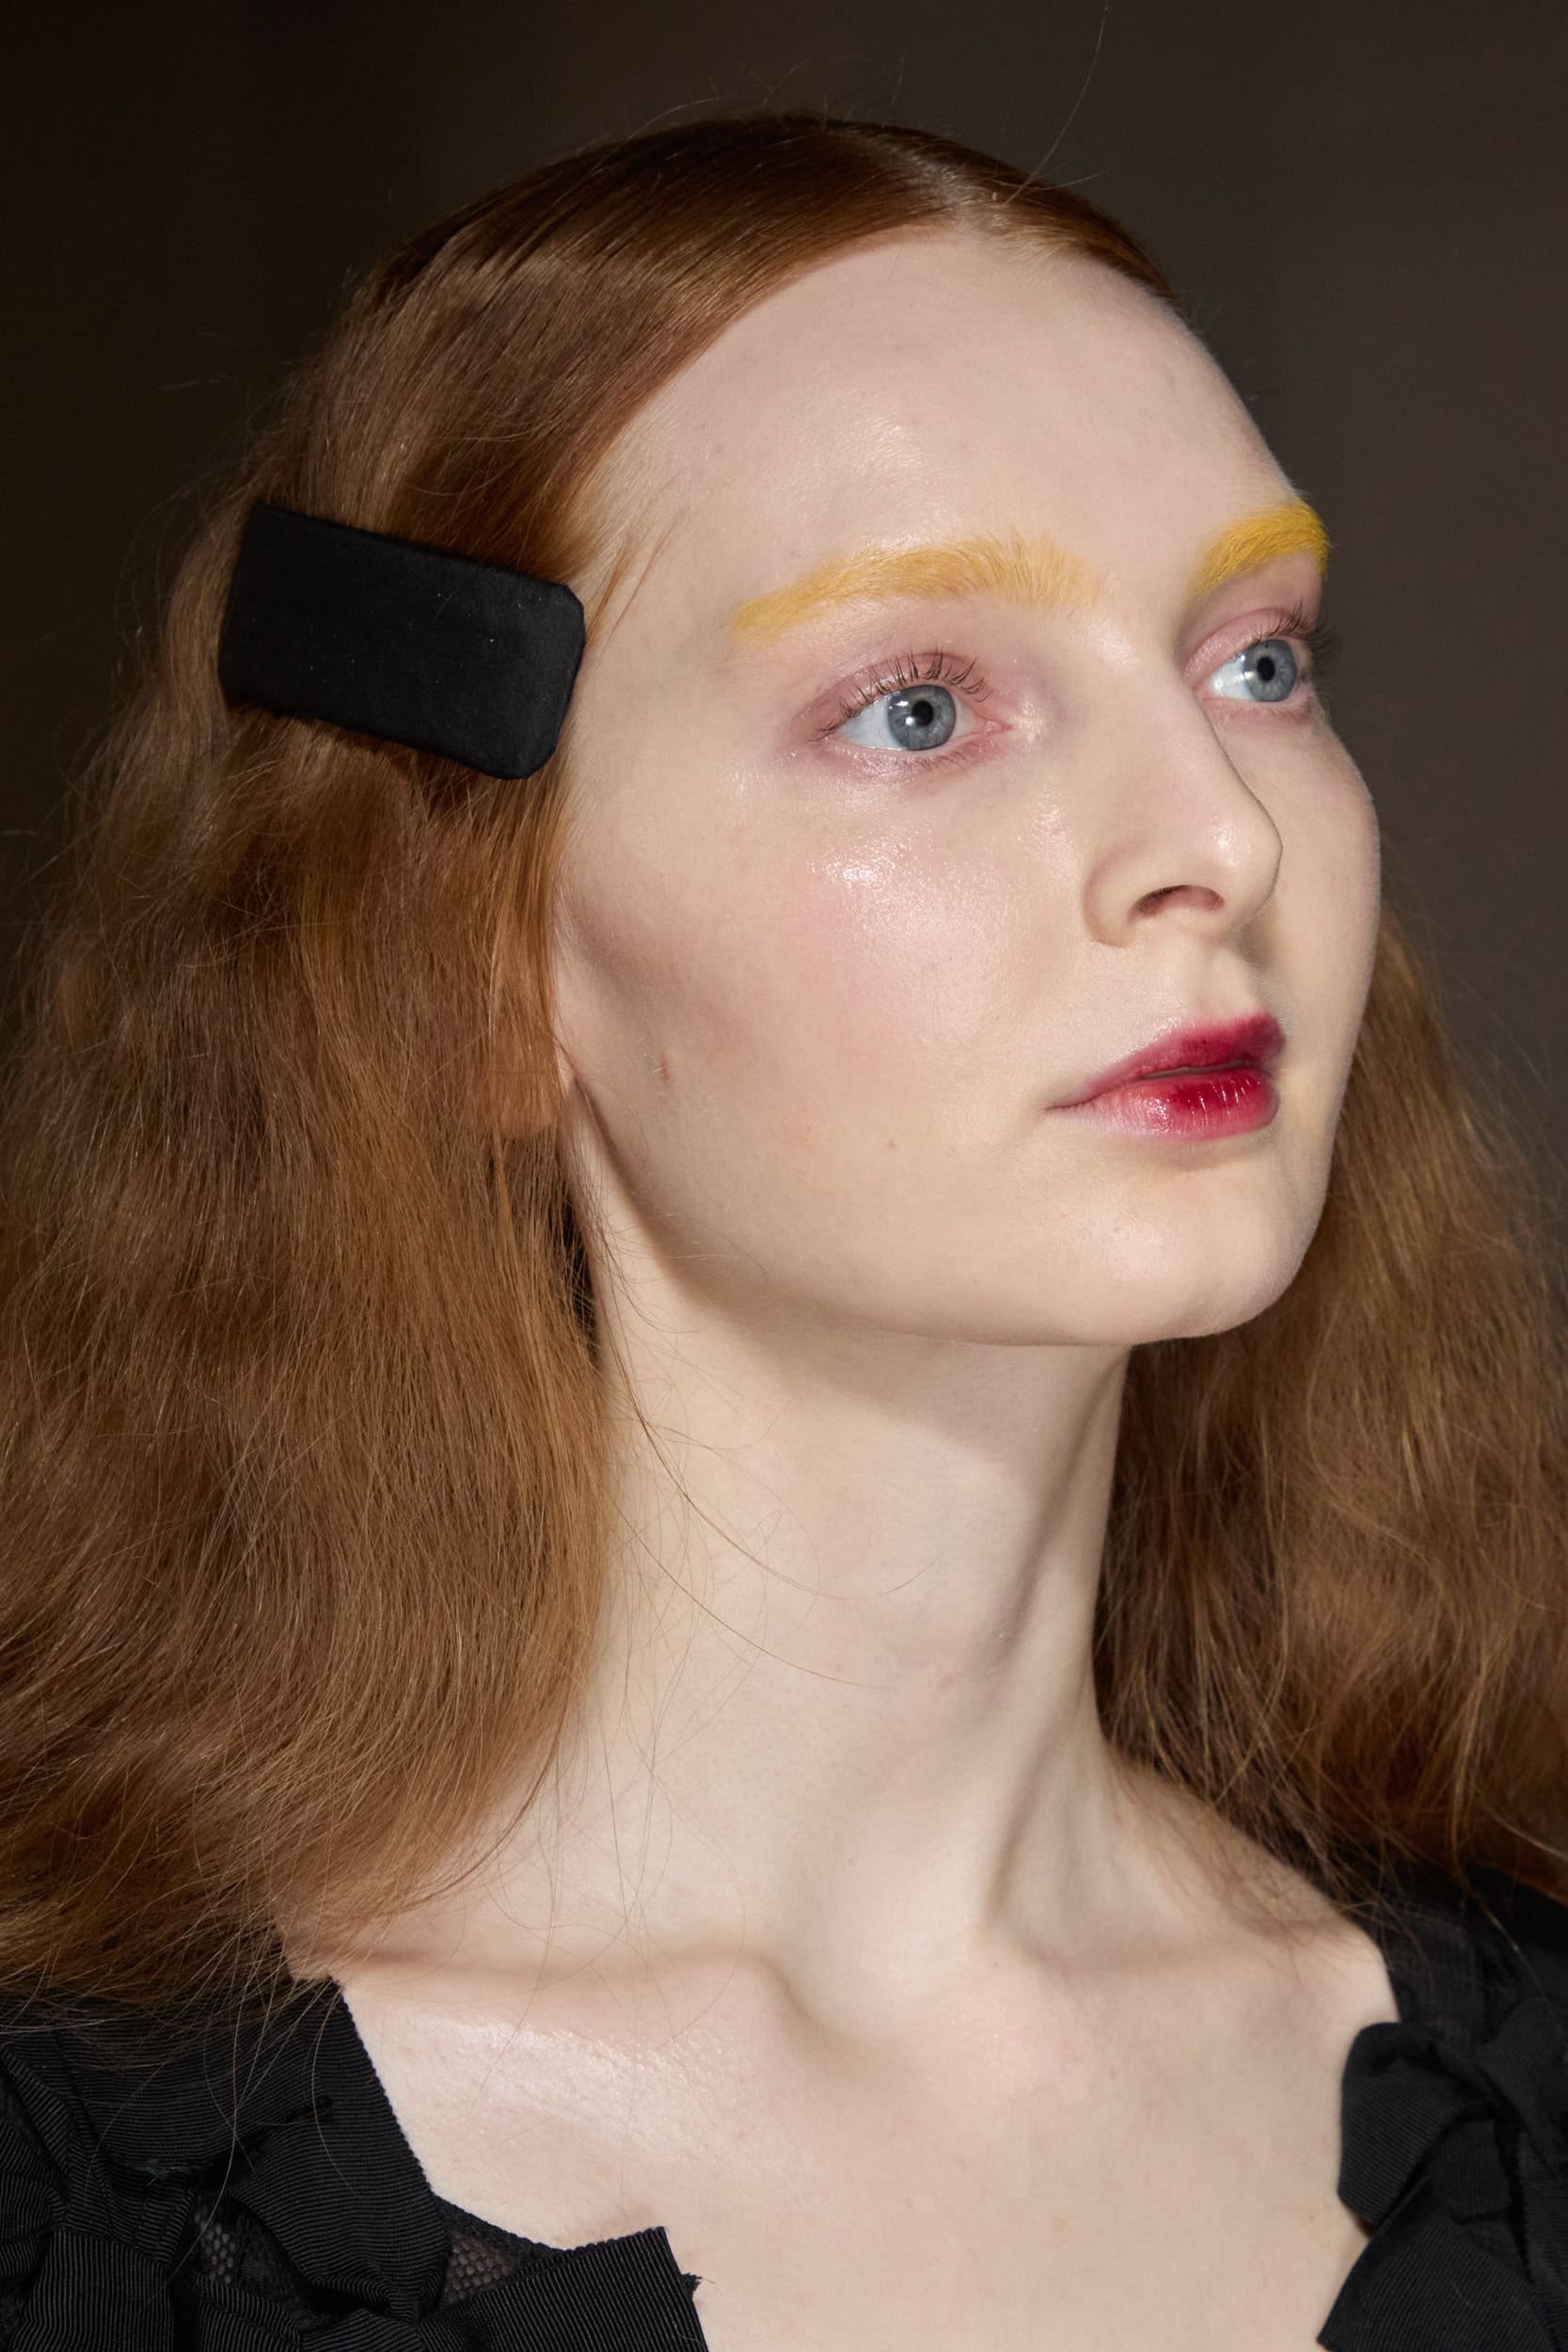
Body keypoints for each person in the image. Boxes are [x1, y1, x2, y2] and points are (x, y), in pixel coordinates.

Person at [0, 109, 1564, 2352]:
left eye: (1256, 661)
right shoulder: (82, 2204)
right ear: (468, 968)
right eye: (919, 706)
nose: (1219, 834)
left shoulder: (1523, 2097)